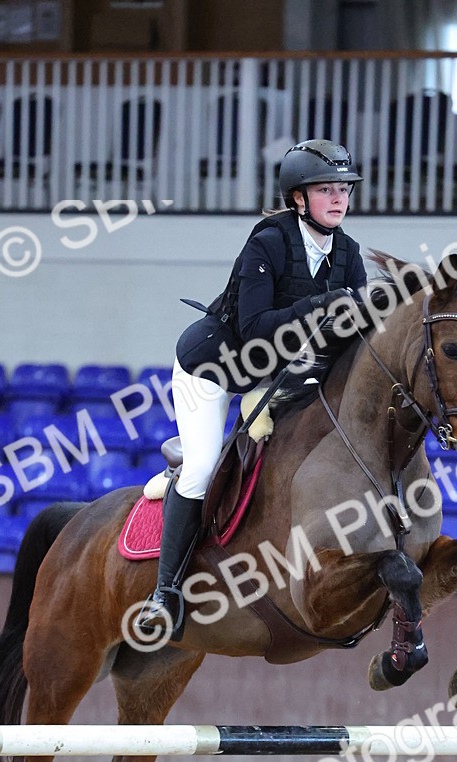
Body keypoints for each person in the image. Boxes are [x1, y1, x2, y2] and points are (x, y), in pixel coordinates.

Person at [138, 139, 367, 635]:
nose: (338, 199)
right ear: (298, 198)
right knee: (201, 468)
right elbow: (256, 328)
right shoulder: (267, 243)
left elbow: (354, 336)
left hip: (276, 374)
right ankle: (165, 594)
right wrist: (324, 308)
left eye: (343, 189)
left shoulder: (347, 253)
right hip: (215, 367)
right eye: (325, 189)